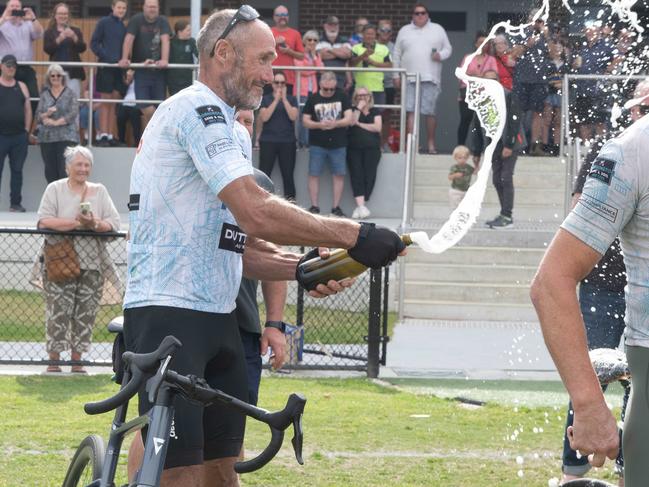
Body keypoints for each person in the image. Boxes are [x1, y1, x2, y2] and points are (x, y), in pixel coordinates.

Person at [122, 7, 406, 486]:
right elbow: (255, 210)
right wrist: (355, 234)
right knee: (180, 474)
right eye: (264, 60)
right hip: (170, 313)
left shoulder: (233, 127)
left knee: (221, 470)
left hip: (218, 315)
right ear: (223, 53)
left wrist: (301, 269)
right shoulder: (196, 108)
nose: (272, 75)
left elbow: (236, 242)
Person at [530, 81, 649, 487]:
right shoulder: (632, 150)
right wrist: (588, 404)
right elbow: (551, 281)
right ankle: (573, 472)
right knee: (597, 375)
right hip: (616, 299)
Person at [37, 145, 120, 374]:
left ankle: (77, 361)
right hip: (59, 262)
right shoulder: (55, 189)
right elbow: (44, 221)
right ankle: (53, 361)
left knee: (86, 313)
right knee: (58, 312)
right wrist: (76, 224)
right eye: (78, 165)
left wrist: (93, 224)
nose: (83, 169)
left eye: (86, 165)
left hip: (92, 264)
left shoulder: (99, 190)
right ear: (67, 167)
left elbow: (114, 224)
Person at [392, 3, 452, 154]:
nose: (420, 16)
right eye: (416, 13)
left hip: (431, 77)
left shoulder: (437, 29)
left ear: (427, 14)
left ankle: (431, 144)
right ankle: (412, 146)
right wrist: (395, 75)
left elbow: (448, 49)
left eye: (422, 13)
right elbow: (396, 54)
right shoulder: (404, 30)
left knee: (430, 112)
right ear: (412, 15)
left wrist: (440, 55)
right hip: (409, 77)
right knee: (410, 111)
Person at [302, 71, 353, 216]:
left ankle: (336, 207)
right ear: (320, 85)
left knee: (339, 175)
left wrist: (335, 123)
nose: (330, 92)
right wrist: (320, 125)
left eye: (332, 89)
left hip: (338, 143)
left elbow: (349, 118)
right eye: (326, 89)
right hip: (317, 143)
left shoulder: (342, 96)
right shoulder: (313, 99)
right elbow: (305, 120)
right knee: (313, 174)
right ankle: (314, 206)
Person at [119, 0, 171, 129]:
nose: (152, 9)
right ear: (144, 7)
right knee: (144, 105)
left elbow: (165, 40)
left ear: (158, 8)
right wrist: (125, 59)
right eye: (149, 6)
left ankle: (153, 139)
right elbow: (128, 39)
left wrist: (164, 60)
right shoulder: (136, 19)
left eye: (154, 7)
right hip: (141, 69)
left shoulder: (163, 21)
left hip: (158, 71)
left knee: (159, 106)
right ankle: (158, 132)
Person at [485, 70, 523, 229]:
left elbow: (515, 120)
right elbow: (478, 124)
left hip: (510, 142)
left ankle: (507, 215)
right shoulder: (483, 99)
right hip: (494, 144)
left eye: (494, 80)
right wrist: (475, 150)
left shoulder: (508, 95)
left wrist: (509, 144)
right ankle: (503, 213)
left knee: (505, 178)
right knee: (496, 179)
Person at [511, 12, 551, 156]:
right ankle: (517, 145)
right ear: (529, 20)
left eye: (540, 20)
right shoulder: (520, 33)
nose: (537, 23)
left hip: (540, 80)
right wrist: (527, 45)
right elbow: (514, 54)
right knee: (518, 113)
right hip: (522, 79)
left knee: (538, 114)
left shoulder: (546, 36)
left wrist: (546, 36)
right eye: (535, 20)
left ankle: (534, 147)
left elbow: (554, 54)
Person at [572, 22, 617, 143]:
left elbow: (619, 57)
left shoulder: (606, 45)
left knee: (600, 122)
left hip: (598, 91)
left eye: (592, 30)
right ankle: (586, 149)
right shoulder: (582, 46)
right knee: (584, 121)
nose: (590, 33)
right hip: (582, 90)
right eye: (588, 31)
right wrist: (575, 64)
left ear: (598, 31)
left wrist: (608, 70)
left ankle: (601, 148)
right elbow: (574, 63)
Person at [91, 0, 127, 147]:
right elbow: (94, 43)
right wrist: (107, 58)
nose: (121, 10)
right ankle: (103, 135)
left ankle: (111, 135)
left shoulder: (122, 26)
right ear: (113, 8)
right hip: (106, 66)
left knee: (114, 102)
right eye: (119, 7)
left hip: (118, 69)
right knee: (105, 102)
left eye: (124, 8)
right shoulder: (104, 22)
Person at [35, 63, 79, 183]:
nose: (55, 78)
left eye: (58, 75)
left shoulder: (70, 93)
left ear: (62, 77)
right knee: (50, 172)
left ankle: (65, 200)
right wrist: (47, 114)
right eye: (52, 75)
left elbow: (74, 112)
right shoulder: (44, 95)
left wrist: (57, 122)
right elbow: (38, 116)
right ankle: (53, 199)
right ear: (49, 78)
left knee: (64, 171)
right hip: (47, 138)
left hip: (66, 137)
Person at [258, 71, 298, 201]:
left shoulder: (292, 99)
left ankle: (292, 207)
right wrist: (276, 100)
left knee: (288, 175)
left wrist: (284, 99)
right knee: (264, 175)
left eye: (282, 83)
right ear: (272, 84)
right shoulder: (266, 99)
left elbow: (293, 116)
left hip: (287, 141)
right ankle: (261, 203)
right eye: (277, 82)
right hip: (268, 140)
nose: (280, 85)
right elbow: (264, 117)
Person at [0, 0, 43, 114]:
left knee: (34, 97)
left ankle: (29, 128)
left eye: (17, 6)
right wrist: (4, 17)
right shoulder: (3, 24)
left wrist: (33, 18)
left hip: (26, 68)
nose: (15, 8)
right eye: (12, 6)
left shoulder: (28, 23)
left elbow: (39, 34)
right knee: (6, 99)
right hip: (7, 68)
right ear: (6, 8)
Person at [0, 54, 31, 212]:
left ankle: (15, 203)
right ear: (1, 66)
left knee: (17, 171)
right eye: (8, 65)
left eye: (13, 66)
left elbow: (27, 109)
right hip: (1, 136)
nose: (11, 68)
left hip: (19, 136)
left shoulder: (22, 86)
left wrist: (26, 130)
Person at [457, 31, 497, 146]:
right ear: (475, 44)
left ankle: (485, 150)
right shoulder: (468, 58)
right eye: (480, 42)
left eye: (486, 43)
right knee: (465, 120)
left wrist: (474, 77)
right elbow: (461, 76)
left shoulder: (491, 59)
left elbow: (494, 76)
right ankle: (460, 147)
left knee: (482, 122)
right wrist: (482, 76)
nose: (483, 45)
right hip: (468, 93)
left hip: (485, 95)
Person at [348, 86, 382, 219]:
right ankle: (361, 206)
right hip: (354, 148)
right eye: (359, 96)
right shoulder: (352, 110)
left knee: (369, 176)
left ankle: (361, 206)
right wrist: (358, 109)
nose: (362, 98)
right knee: (356, 175)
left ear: (370, 97)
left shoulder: (375, 111)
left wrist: (360, 125)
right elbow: (351, 122)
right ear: (355, 98)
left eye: (365, 95)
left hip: (372, 149)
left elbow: (377, 127)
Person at [43, 2, 86, 100]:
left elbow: (82, 48)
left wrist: (74, 37)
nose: (63, 16)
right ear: (55, 15)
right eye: (60, 14)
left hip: (73, 72)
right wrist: (60, 38)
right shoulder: (49, 32)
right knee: (55, 100)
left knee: (73, 100)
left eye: (65, 14)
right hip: (56, 72)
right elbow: (47, 49)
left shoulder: (76, 30)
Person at [348, 24, 392, 106]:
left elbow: (389, 65)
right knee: (359, 113)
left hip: (377, 88)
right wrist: (363, 56)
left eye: (372, 34)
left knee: (377, 114)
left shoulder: (384, 48)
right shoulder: (355, 48)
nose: (370, 36)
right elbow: (351, 64)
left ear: (375, 35)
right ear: (362, 34)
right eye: (367, 33)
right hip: (360, 89)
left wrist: (373, 63)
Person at [294, 29, 324, 147]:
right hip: (302, 91)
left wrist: (314, 58)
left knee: (314, 117)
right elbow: (303, 71)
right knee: (302, 118)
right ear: (304, 41)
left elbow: (321, 70)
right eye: (309, 39)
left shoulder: (316, 55)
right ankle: (302, 143)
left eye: (315, 40)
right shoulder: (299, 54)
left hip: (314, 90)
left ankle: (311, 142)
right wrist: (314, 69)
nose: (312, 42)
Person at [542, 39, 569, 155]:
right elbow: (546, 79)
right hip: (549, 94)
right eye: (555, 48)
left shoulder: (566, 64)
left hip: (562, 94)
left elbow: (569, 81)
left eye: (559, 48)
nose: (557, 50)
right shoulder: (547, 63)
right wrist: (556, 84)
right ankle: (544, 144)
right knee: (547, 119)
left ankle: (557, 145)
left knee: (558, 121)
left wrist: (560, 84)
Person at [270, 5, 304, 95]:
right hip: (270, 76)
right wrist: (275, 43)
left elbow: (301, 56)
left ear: (288, 17)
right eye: (279, 15)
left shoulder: (295, 33)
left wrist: (289, 51)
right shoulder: (268, 32)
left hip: (288, 77)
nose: (282, 17)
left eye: (285, 14)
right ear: (274, 17)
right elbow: (260, 52)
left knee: (286, 104)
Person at [316, 16, 352, 90]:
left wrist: (330, 50)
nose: (333, 27)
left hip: (341, 78)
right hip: (323, 77)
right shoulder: (318, 40)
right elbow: (321, 55)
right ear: (325, 26)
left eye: (335, 25)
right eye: (330, 25)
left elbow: (347, 55)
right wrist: (340, 52)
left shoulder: (345, 40)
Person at [377, 19, 395, 151]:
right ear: (378, 31)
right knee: (375, 114)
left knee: (387, 116)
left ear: (391, 33)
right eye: (383, 30)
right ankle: (376, 143)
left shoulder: (394, 47)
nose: (385, 33)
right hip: (375, 84)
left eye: (388, 30)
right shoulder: (373, 46)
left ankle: (384, 143)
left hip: (389, 85)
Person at [167, 19, 198, 96]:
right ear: (180, 32)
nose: (190, 32)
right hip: (173, 80)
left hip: (188, 79)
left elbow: (199, 55)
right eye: (188, 30)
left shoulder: (192, 41)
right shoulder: (170, 42)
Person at [116, 69, 142, 146]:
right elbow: (121, 92)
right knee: (120, 116)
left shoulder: (142, 77)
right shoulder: (124, 76)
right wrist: (128, 81)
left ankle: (137, 142)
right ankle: (121, 141)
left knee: (135, 115)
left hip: (137, 104)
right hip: (125, 103)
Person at [447, 145, 473, 209]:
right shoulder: (454, 167)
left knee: (465, 207)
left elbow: (475, 171)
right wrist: (455, 175)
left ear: (467, 158)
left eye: (464, 158)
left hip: (466, 190)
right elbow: (449, 177)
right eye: (460, 158)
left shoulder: (468, 167)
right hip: (456, 190)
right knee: (456, 207)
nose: (462, 160)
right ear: (455, 158)